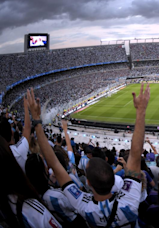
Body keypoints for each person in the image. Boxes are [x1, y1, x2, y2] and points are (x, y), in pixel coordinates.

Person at [26, 84, 150, 227]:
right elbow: (135, 154)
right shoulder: (130, 200)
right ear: (114, 179)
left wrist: (37, 122)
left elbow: (53, 163)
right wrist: (141, 111)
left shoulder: (83, 205)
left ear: (89, 183)